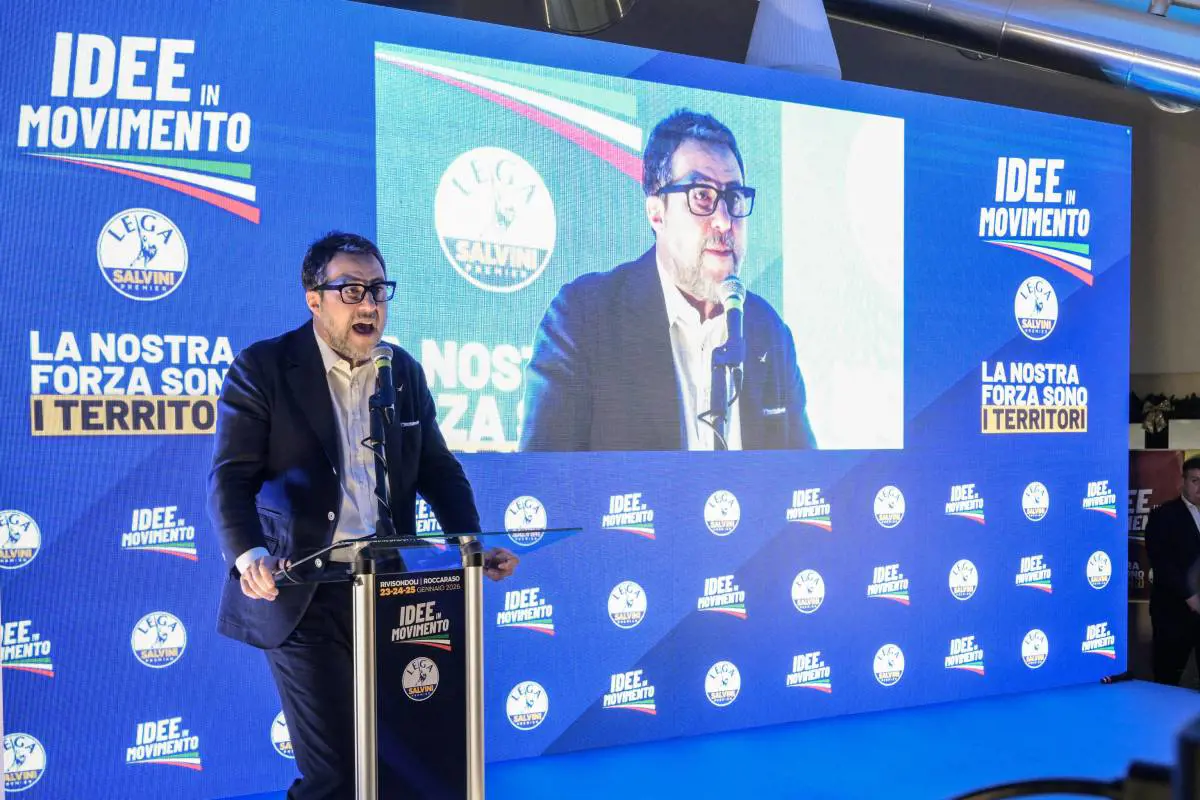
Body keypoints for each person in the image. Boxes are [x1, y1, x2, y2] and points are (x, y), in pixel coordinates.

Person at [208, 232, 519, 798]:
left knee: (397, 758)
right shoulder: (264, 367)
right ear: (314, 299)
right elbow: (230, 477)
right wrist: (250, 555)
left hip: (387, 590)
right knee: (337, 774)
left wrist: (469, 543)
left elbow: (438, 471)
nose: (369, 304)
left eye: (378, 289)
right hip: (302, 590)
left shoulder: (401, 371)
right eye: (351, 290)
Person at [519, 108, 816, 452]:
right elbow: (541, 476)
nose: (724, 221)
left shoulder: (768, 332)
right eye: (702, 195)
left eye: (734, 198)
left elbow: (806, 474)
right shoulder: (584, 319)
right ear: (657, 213)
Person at [1145, 455, 1200, 687]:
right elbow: (1162, 562)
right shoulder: (1163, 515)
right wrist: (1190, 597)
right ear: (1182, 481)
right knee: (1167, 680)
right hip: (1173, 615)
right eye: (1195, 481)